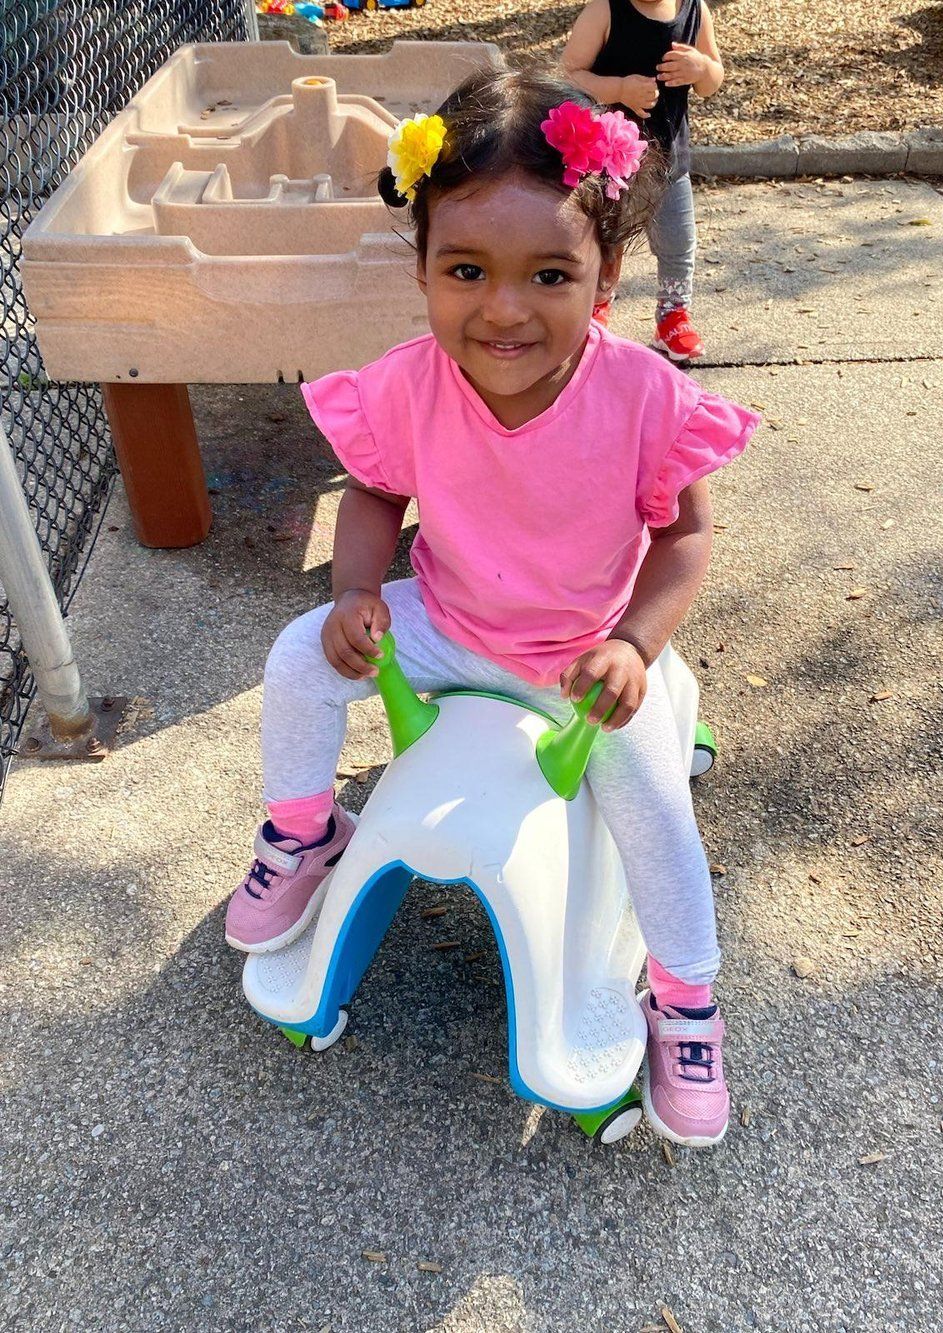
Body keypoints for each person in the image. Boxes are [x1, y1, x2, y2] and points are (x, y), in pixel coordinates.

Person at [225, 67, 758, 1148]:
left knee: (653, 804)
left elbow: (685, 536)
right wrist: (356, 591)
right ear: (419, 268)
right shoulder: (409, 382)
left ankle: (684, 995)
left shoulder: (642, 395)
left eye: (548, 273)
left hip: (581, 659)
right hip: (448, 623)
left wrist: (634, 646)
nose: (503, 308)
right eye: (465, 269)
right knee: (293, 658)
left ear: (604, 274)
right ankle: (304, 829)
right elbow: (376, 489)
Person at [561, 0, 725, 362]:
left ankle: (673, 316)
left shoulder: (693, 10)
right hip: (608, 161)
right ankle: (596, 304)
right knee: (605, 238)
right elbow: (569, 74)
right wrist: (618, 89)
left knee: (677, 242)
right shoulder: (605, 10)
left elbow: (714, 80)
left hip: (668, 159)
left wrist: (701, 69)